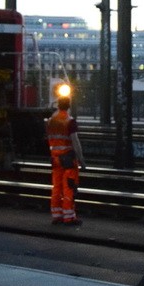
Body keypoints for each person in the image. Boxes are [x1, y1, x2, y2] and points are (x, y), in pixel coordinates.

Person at [46, 96, 86, 225]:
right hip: (68, 159)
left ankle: (56, 215)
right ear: (69, 106)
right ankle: (69, 217)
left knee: (56, 187)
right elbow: (75, 141)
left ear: (58, 105)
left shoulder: (51, 120)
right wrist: (81, 159)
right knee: (68, 187)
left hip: (55, 158)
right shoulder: (69, 121)